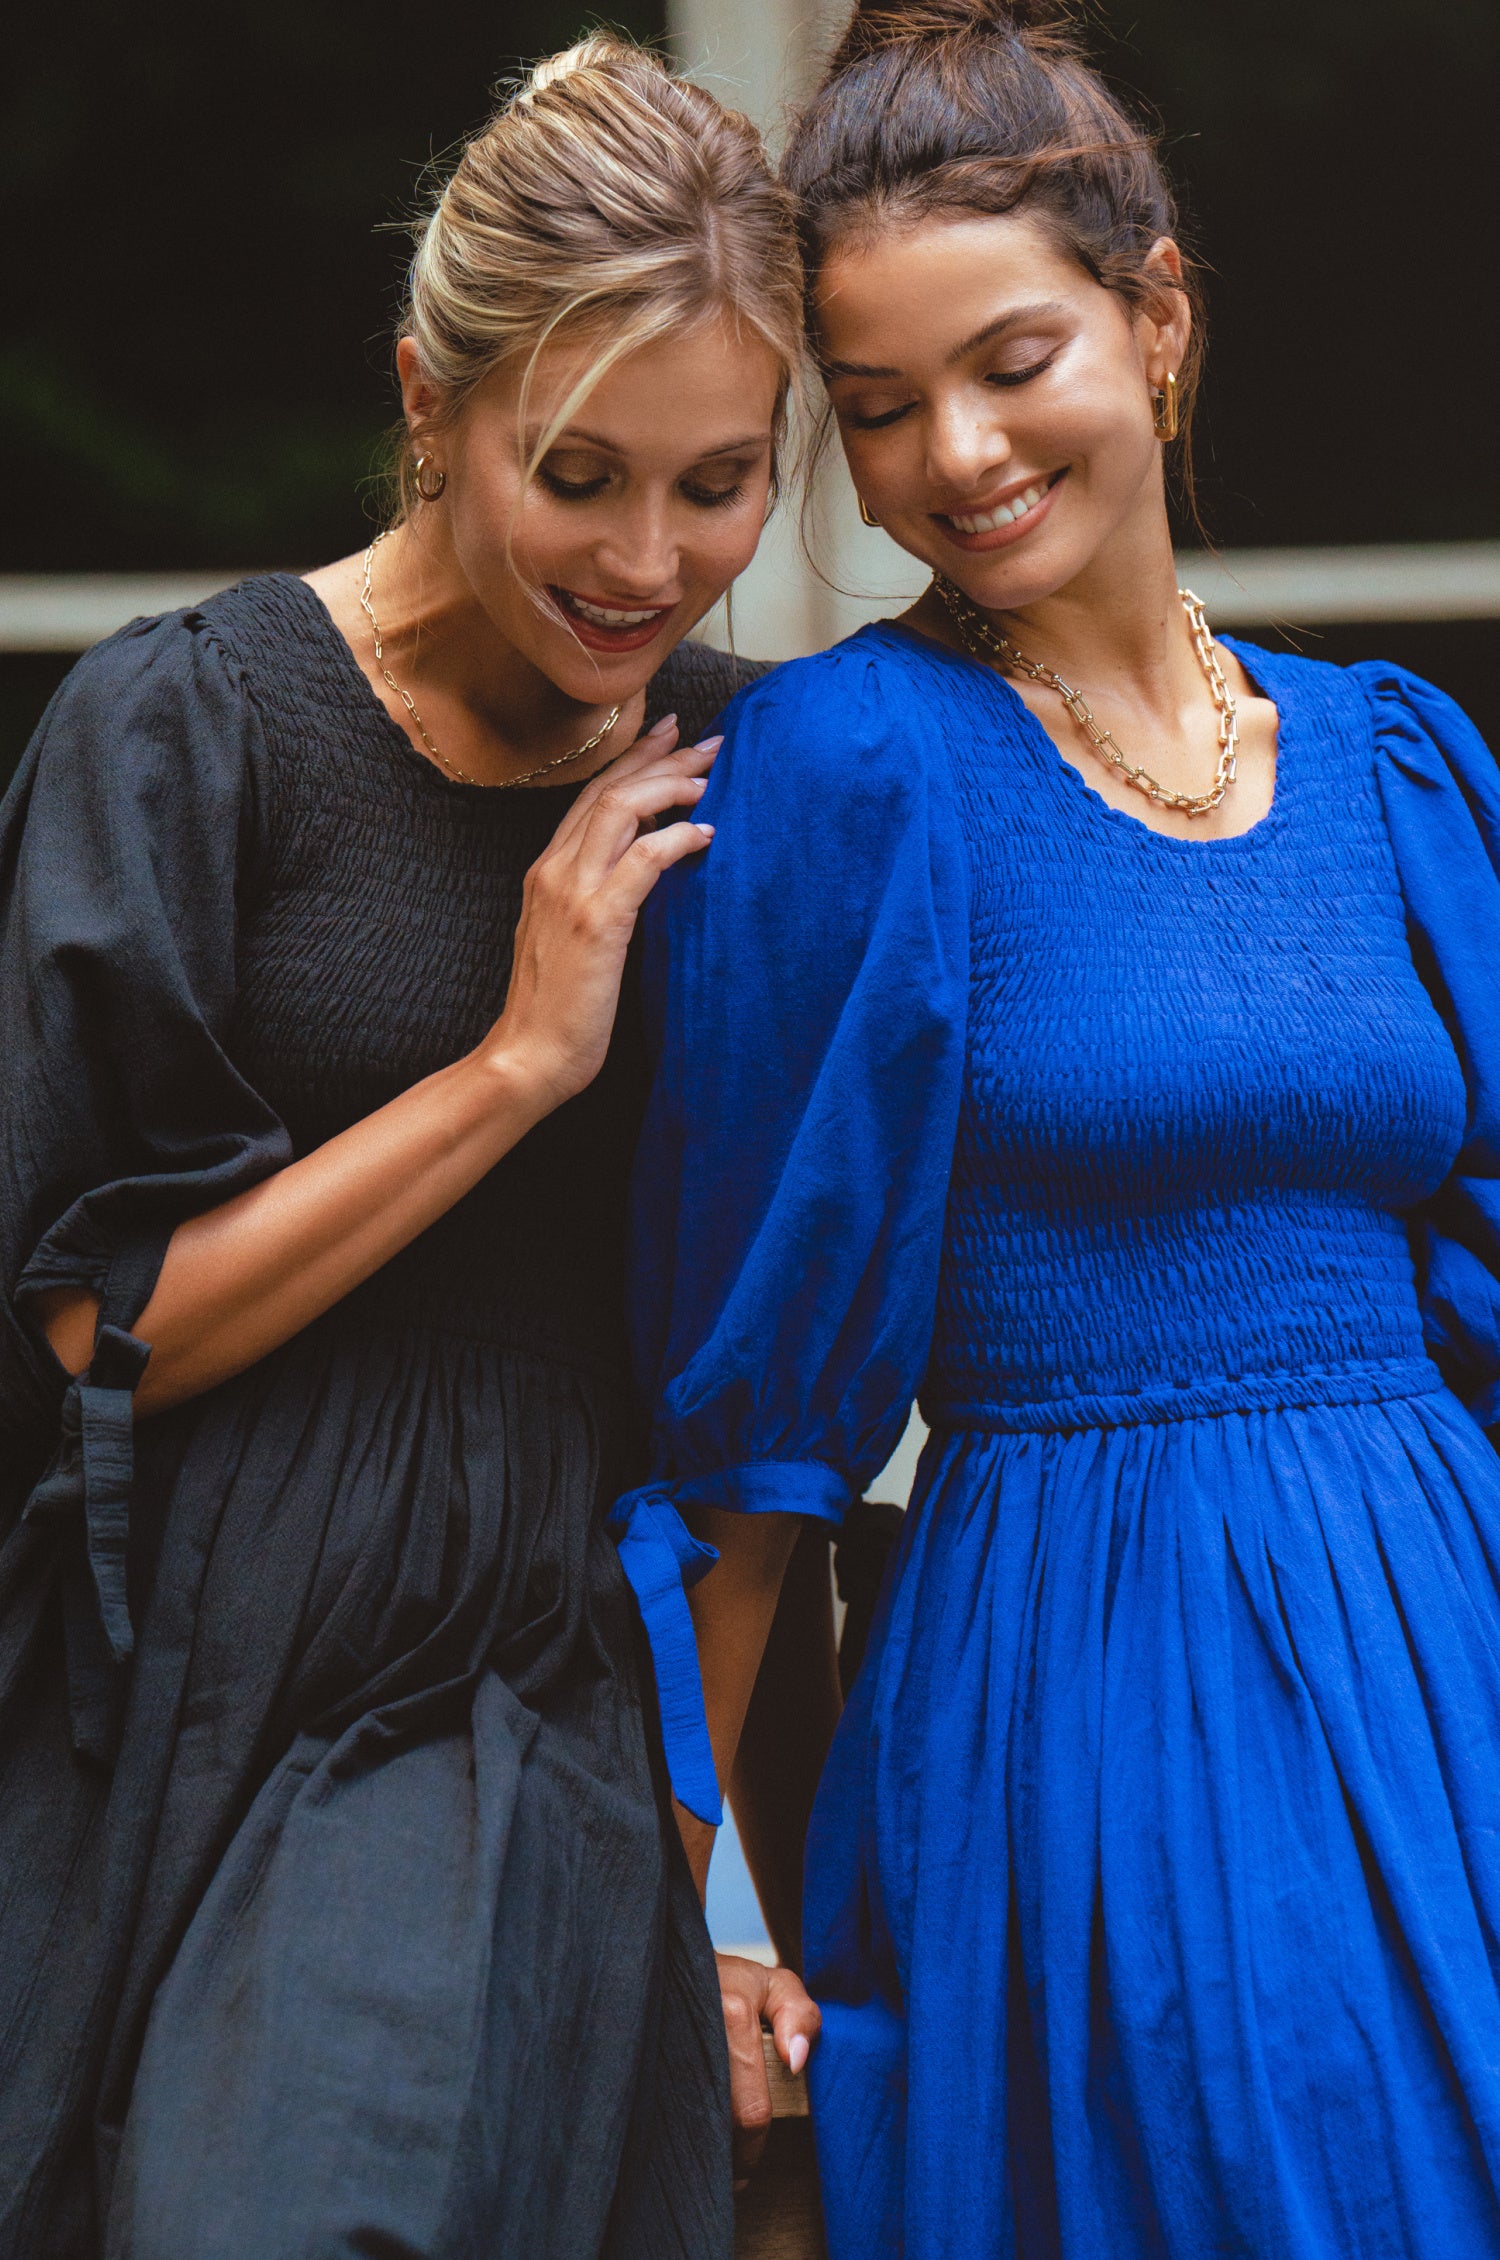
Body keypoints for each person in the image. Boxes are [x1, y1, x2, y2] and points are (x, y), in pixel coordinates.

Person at [623, 2, 1500, 2252]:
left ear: (1161, 315)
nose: (959, 454)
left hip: (1450, 1632)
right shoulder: (855, 768)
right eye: (883, 407)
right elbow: (753, 1419)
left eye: (1015, 361)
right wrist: (683, 1895)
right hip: (1100, 1678)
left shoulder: (1396, 758)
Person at [0, 35, 819, 2259]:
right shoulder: (190, 729)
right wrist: (516, 1064)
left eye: (723, 481)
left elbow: (769, 1405)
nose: (653, 558)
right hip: (158, 1662)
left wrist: (697, 1864)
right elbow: (103, 1324)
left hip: (514, 1676)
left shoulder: (766, 783)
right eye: (578, 472)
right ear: (427, 406)